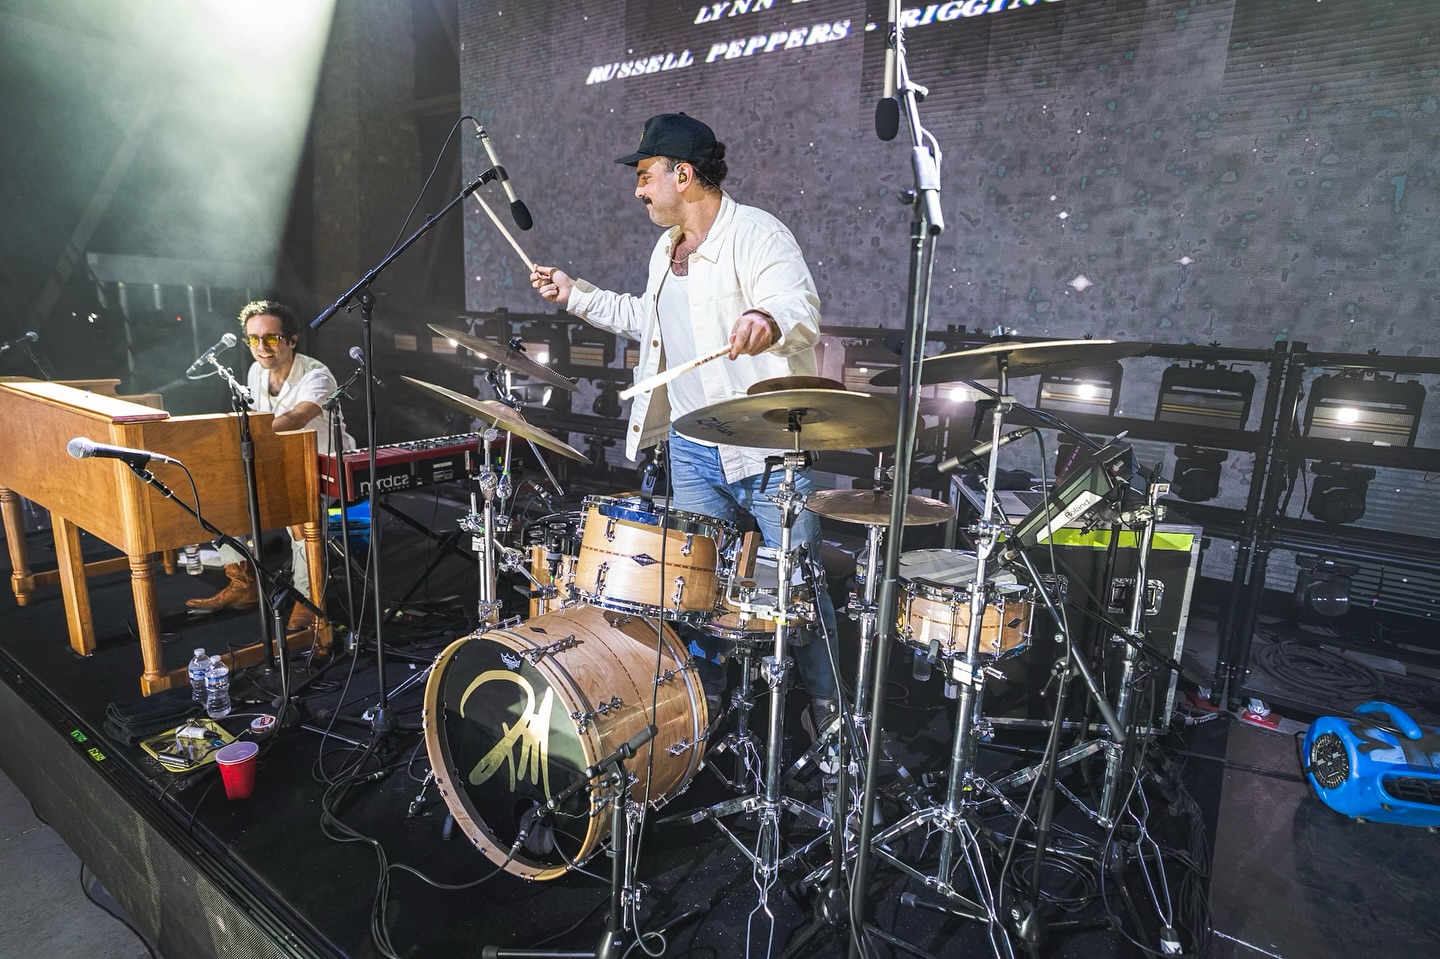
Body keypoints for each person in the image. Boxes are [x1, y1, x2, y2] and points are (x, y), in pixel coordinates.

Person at [530, 112, 839, 732]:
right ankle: (714, 709)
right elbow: (647, 319)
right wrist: (576, 294)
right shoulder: (665, 250)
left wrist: (766, 321)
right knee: (701, 591)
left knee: (793, 591)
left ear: (684, 173)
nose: (638, 190)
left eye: (645, 176)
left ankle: (831, 715)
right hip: (694, 446)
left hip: (769, 449)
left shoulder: (757, 233)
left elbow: (797, 306)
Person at [186, 300, 356, 634]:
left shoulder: (316, 375)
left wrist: (241, 433)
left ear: (292, 340)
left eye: (272, 338)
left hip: (325, 467)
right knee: (214, 499)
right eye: (253, 339)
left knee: (297, 514)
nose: (261, 347)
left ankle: (309, 601)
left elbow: (297, 418)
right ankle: (242, 582)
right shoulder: (255, 373)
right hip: (278, 464)